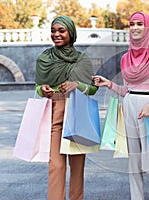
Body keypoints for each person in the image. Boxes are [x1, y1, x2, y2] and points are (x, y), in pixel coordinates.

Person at [93, 12, 149, 200]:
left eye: (140, 24)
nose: (135, 27)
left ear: (148, 27)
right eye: (132, 24)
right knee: (134, 161)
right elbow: (127, 90)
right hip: (129, 106)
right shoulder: (125, 58)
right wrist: (110, 84)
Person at [35, 15, 98, 200]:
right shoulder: (44, 58)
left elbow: (93, 89)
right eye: (53, 31)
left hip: (77, 111)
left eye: (61, 31)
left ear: (71, 33)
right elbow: (38, 86)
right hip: (54, 111)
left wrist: (76, 85)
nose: (56, 34)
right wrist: (42, 89)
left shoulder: (82, 59)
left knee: (77, 167)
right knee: (56, 165)